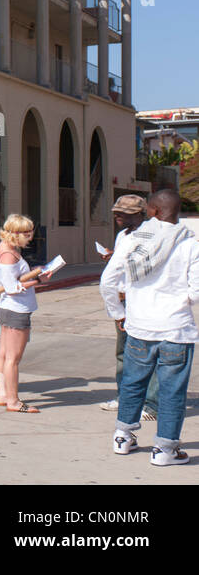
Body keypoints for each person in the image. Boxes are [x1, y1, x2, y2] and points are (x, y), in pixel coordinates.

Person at [100, 187, 199, 466]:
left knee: (132, 383)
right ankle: (165, 449)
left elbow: (108, 282)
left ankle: (123, 438)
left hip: (139, 326)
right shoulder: (190, 243)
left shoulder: (133, 240)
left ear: (153, 211)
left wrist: (118, 313)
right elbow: (196, 291)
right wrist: (179, 301)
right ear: (177, 212)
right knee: (172, 391)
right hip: (176, 329)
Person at [98, 194, 158, 420]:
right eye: (116, 212)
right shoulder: (122, 235)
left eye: (124, 212)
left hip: (143, 300)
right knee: (124, 352)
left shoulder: (150, 235)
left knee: (150, 353)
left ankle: (151, 404)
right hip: (123, 300)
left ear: (140, 214)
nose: (118, 216)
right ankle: (124, 396)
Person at [0, 214, 48, 413]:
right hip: (15, 309)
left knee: (5, 354)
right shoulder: (8, 255)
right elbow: (12, 287)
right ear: (15, 234)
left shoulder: (6, 249)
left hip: (8, 308)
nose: (30, 238)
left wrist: (34, 272)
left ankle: (2, 394)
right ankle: (13, 401)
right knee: (12, 359)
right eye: (27, 234)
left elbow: (16, 279)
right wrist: (38, 280)